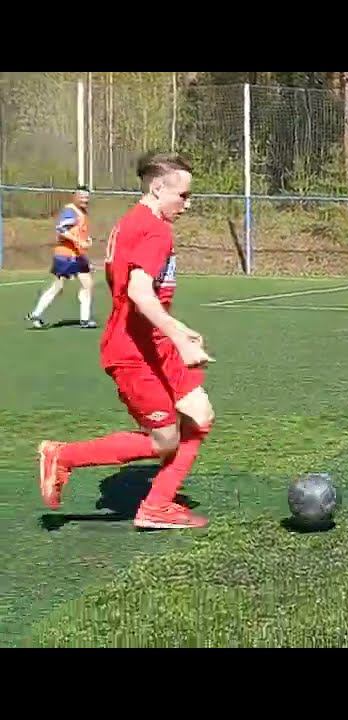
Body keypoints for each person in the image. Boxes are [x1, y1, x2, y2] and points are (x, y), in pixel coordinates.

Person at [38, 152, 216, 530]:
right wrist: (179, 338)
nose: (188, 204)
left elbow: (135, 294)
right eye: (183, 196)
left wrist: (176, 330)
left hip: (154, 342)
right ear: (158, 187)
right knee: (164, 441)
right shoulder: (154, 230)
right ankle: (63, 456)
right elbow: (138, 292)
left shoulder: (132, 222)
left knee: (200, 416)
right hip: (134, 351)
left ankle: (157, 505)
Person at [27, 185, 97, 329]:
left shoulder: (82, 212)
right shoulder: (70, 211)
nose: (85, 200)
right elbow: (60, 229)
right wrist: (78, 241)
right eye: (82, 197)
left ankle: (85, 320)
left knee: (88, 284)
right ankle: (36, 314)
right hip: (65, 256)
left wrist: (86, 242)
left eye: (87, 197)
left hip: (78, 256)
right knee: (58, 287)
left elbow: (79, 233)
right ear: (75, 196)